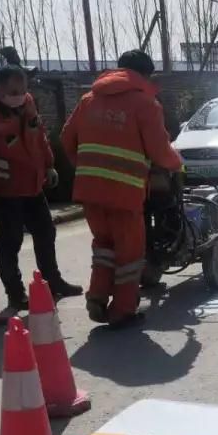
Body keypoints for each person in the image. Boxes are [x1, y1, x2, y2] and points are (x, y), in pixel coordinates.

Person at [60, 49, 183, 328]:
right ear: (145, 75)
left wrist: (86, 168)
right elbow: (160, 149)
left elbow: (67, 138)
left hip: (90, 192)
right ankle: (123, 310)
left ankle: (98, 297)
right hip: (125, 194)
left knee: (104, 245)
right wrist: (176, 163)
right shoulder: (145, 104)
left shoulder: (88, 99)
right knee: (129, 253)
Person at [0, 65, 81, 310]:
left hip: (32, 185)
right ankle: (16, 294)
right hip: (4, 191)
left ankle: (53, 282)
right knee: (11, 242)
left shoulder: (26, 101)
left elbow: (39, 135)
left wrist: (49, 165)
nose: (20, 95)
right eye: (14, 91)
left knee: (46, 233)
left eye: (24, 89)